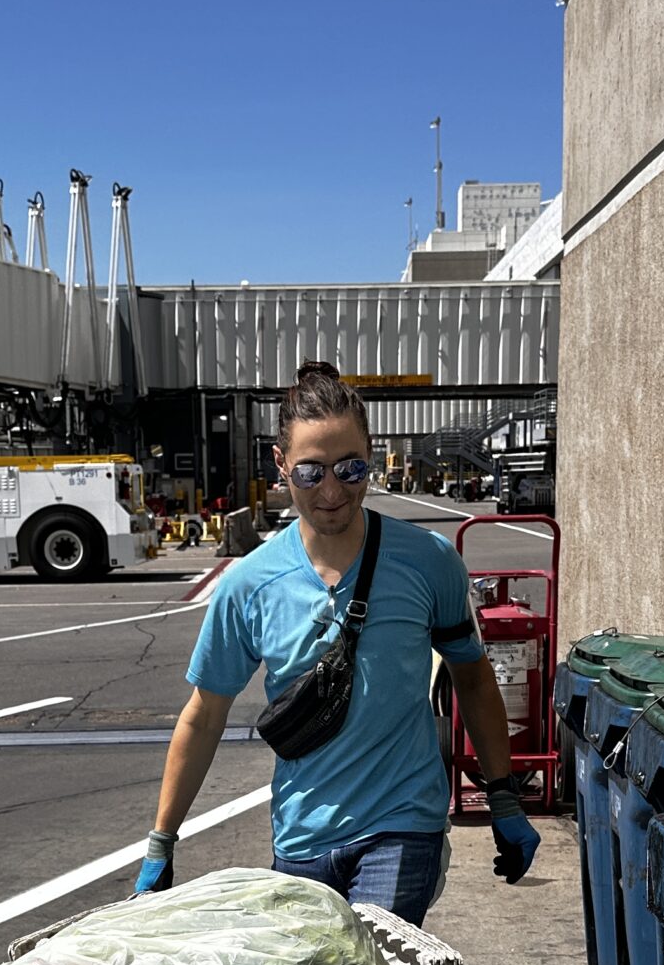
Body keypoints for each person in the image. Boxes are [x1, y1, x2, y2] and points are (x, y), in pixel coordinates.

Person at [133, 360, 540, 922]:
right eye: (311, 472)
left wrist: (503, 796)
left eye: (350, 469)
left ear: (371, 455)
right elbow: (204, 715)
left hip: (403, 823)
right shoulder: (250, 584)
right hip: (301, 838)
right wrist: (162, 841)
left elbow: (471, 676)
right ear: (280, 466)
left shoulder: (428, 562)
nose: (332, 491)